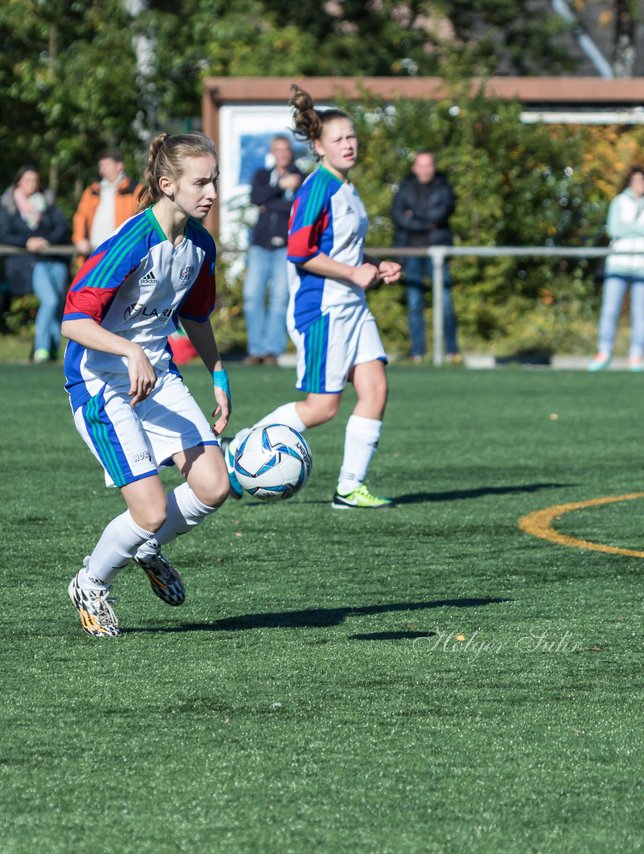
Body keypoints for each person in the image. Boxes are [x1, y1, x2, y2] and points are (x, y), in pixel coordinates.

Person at [61, 131, 231, 637]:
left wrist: (218, 373)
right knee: (152, 509)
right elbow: (73, 321)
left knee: (213, 484)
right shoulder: (132, 241)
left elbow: (197, 317)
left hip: (155, 375)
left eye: (214, 181)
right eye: (201, 182)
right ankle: (91, 582)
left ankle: (147, 546)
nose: (212, 193)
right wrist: (129, 349)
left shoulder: (200, 244)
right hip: (101, 382)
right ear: (166, 184)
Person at [225, 85, 401, 510]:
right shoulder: (316, 187)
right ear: (319, 146)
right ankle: (237, 452)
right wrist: (355, 272)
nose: (348, 144)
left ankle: (349, 488)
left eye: (352, 137)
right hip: (322, 309)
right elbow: (300, 250)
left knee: (376, 389)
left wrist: (375, 265)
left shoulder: (347, 188)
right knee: (322, 408)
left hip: (351, 306)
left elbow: (344, 250)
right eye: (338, 139)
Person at [590, 167, 644, 372]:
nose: (639, 184)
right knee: (609, 310)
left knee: (640, 312)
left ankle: (636, 357)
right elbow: (614, 229)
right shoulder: (619, 202)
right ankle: (604, 353)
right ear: (629, 182)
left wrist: (629, 226)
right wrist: (640, 227)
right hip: (618, 263)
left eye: (643, 180)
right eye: (635, 180)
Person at [390, 150, 459, 363]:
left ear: (434, 167)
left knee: (445, 302)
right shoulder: (406, 187)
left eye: (428, 165)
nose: (425, 169)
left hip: (437, 251)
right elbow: (398, 215)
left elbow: (440, 214)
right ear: (414, 168)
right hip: (411, 251)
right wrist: (426, 222)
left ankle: (452, 351)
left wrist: (414, 215)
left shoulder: (444, 187)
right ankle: (417, 352)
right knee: (414, 303)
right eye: (421, 165)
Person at [0, 165, 71, 363]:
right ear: (19, 182)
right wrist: (28, 242)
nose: (32, 184)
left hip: (55, 259)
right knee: (49, 301)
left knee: (57, 306)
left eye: (35, 180)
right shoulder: (9, 205)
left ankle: (53, 348)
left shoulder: (47, 202)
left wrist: (45, 242)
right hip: (33, 263)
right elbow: (4, 234)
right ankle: (41, 348)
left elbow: (62, 227)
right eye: (27, 180)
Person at [243, 134, 302, 365]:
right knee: (252, 296)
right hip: (260, 245)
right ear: (272, 152)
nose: (283, 154)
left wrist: (270, 205)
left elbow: (296, 208)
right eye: (278, 150)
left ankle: (271, 351)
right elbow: (256, 197)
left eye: (286, 150)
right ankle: (255, 349)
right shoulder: (263, 175)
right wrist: (278, 186)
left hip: (286, 247)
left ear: (291, 152)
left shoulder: (301, 177)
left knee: (280, 298)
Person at [71, 148, 140, 265]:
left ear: (120, 166)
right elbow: (80, 217)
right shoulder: (92, 191)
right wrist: (79, 239)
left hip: (122, 254)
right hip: (93, 253)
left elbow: (140, 221)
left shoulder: (135, 190)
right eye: (100, 165)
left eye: (107, 164)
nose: (102, 169)